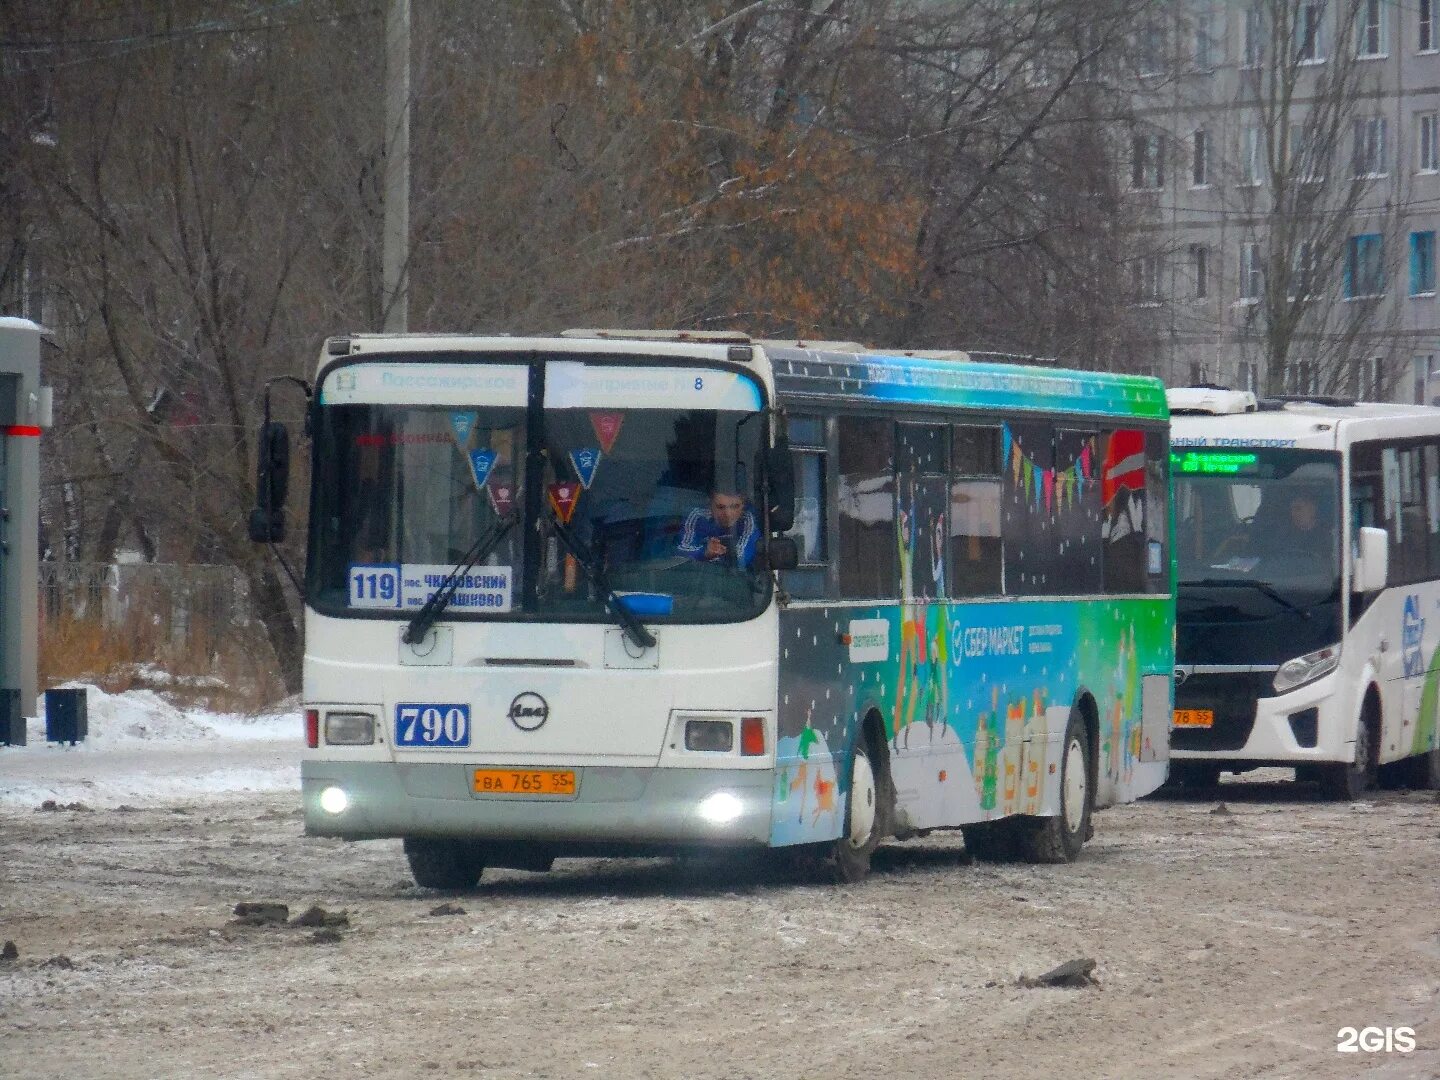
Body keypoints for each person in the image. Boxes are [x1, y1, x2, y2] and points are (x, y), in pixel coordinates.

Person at [676, 490, 758, 568]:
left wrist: (717, 554)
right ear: (710, 505)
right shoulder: (698, 516)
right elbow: (682, 551)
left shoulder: (747, 519)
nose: (728, 514)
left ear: (743, 506)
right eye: (720, 507)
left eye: (735, 507)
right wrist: (705, 552)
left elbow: (743, 557)